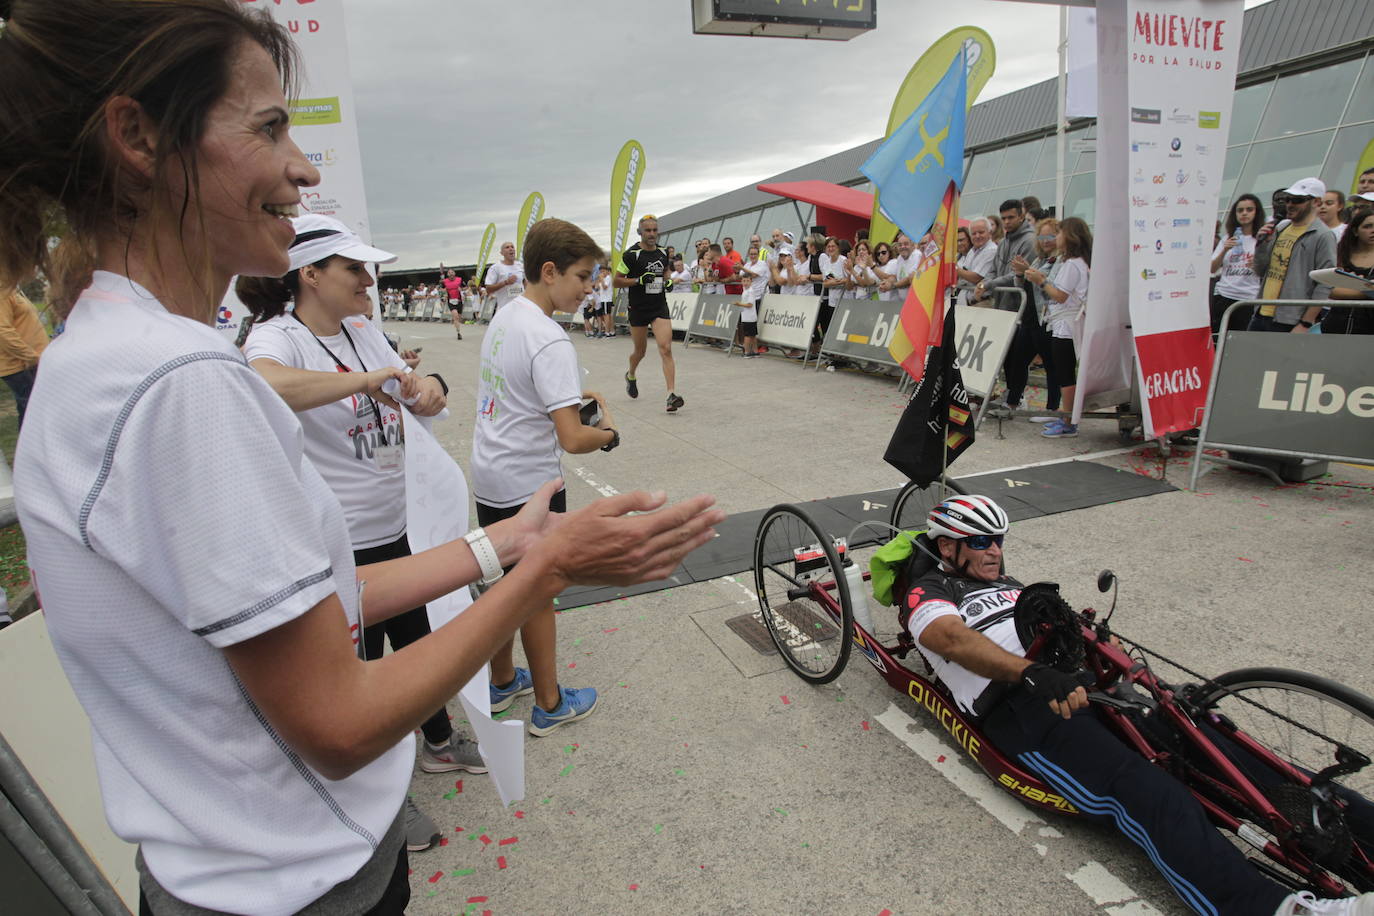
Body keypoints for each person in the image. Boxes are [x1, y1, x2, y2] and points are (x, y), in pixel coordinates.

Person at [0, 3, 724, 912]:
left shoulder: (101, 348)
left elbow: (309, 602)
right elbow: (338, 723)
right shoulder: (180, 380)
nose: (302, 168)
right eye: (268, 129)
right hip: (297, 884)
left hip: (223, 873)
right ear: (138, 136)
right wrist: (550, 569)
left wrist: (500, 549)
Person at [904, 495, 1374, 916]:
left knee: (1220, 747)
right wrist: (1028, 671)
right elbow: (949, 637)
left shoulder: (1010, 583)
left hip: (1089, 685)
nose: (994, 550)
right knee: (1151, 793)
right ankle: (1277, 909)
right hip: (1025, 710)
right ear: (948, 548)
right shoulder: (929, 591)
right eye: (981, 540)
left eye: (999, 539)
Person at [238, 214, 475, 853]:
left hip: (390, 526)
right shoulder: (275, 335)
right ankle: (381, 809)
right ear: (309, 275)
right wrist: (368, 380)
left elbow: (413, 383)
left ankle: (439, 744)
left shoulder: (363, 329)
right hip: (335, 545)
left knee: (418, 641)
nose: (368, 282)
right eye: (354, 270)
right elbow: (265, 385)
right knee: (357, 678)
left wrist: (425, 388)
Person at [472, 217, 623, 738]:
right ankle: (550, 703)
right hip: (529, 486)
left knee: (500, 588)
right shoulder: (550, 337)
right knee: (537, 595)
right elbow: (572, 439)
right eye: (583, 277)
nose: (590, 288)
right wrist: (608, 433)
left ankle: (503, 679)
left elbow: (519, 394)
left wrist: (574, 402)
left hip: (491, 474)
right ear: (551, 271)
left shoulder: (506, 315)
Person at [1024, 217, 1091, 438]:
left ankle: (1068, 420)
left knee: (1065, 372)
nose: (1056, 238)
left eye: (1059, 233)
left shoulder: (1073, 264)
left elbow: (1060, 295)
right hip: (1065, 322)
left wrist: (1041, 281)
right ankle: (1067, 416)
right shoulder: (1075, 261)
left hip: (1067, 324)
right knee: (1065, 371)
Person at [615, 215, 684, 412]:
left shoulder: (663, 252)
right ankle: (631, 374)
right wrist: (638, 280)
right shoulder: (631, 255)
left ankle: (671, 395)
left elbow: (665, 272)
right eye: (648, 230)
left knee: (666, 348)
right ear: (640, 232)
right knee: (640, 352)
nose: (652, 234)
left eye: (655, 230)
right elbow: (616, 281)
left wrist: (668, 280)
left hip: (658, 307)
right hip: (638, 308)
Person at [1252, 177, 1336, 333]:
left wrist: (1306, 322)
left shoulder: (1323, 235)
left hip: (1291, 320)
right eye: (1287, 199)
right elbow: (1260, 271)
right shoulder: (1281, 227)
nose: (1289, 204)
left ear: (1316, 202)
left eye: (1297, 200)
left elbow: (1325, 283)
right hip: (1261, 313)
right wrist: (1261, 246)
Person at [1010, 217, 1062, 421]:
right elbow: (1022, 285)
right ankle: (1013, 401)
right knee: (1018, 360)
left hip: (1046, 319)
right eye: (1042, 237)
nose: (1045, 241)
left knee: (1051, 365)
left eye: (1050, 236)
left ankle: (1052, 409)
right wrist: (1020, 274)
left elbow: (1053, 287)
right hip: (1030, 318)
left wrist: (1030, 273)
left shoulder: (1060, 260)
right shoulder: (1039, 259)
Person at [1209, 194, 1266, 336]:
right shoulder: (1228, 238)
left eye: (1249, 209)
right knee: (1218, 339)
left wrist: (1257, 264)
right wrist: (1224, 250)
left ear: (1256, 212)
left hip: (1248, 298)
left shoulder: (1262, 238)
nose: (1244, 213)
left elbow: (1267, 270)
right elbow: (1212, 268)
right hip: (1224, 295)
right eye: (1240, 210)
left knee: (1240, 340)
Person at [0, 286, 49, 426]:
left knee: (32, 409)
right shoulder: (2, 292)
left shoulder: (12, 289)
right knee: (33, 411)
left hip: (31, 361)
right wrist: (31, 356)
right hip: (19, 365)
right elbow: (2, 331)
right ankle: (31, 446)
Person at [1323, 207, 1374, 335]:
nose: (1373, 231)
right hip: (1336, 324)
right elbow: (1329, 290)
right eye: (1367, 226)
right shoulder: (1340, 253)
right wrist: (1368, 290)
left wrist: (1348, 285)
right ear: (1355, 231)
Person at [734, 242, 768, 358]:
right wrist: (736, 269)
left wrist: (742, 267)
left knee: (750, 332)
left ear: (758, 254)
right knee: (751, 332)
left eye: (754, 254)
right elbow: (741, 276)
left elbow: (753, 275)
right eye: (751, 254)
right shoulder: (747, 264)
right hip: (748, 301)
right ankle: (755, 350)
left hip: (759, 297)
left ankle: (748, 351)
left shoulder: (762, 264)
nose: (753, 256)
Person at [955, 217, 997, 309]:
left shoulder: (991, 250)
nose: (977, 236)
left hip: (983, 302)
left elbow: (976, 278)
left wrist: (955, 268)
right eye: (974, 233)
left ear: (990, 233)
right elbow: (965, 275)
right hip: (968, 301)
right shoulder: (972, 251)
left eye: (981, 232)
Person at [482, 241, 524, 315]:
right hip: (505, 309)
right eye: (507, 247)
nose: (511, 249)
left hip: (521, 308)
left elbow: (526, 283)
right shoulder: (495, 268)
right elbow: (488, 289)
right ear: (502, 253)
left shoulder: (520, 266)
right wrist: (506, 282)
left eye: (512, 247)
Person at [442, 268, 465, 339]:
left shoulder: (460, 280)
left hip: (459, 301)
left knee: (459, 318)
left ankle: (456, 324)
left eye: (452, 272)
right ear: (447, 274)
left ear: (454, 273)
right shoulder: (444, 281)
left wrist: (461, 289)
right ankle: (458, 332)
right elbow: (441, 290)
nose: (451, 273)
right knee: (455, 316)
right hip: (451, 301)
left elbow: (466, 287)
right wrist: (444, 292)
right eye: (449, 273)